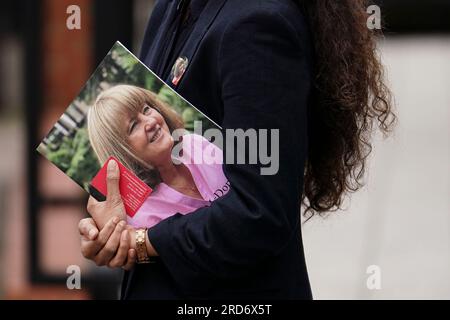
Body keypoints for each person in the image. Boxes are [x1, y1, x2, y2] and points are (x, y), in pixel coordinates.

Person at [79, 0, 395, 299]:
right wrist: (110, 231)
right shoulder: (171, 8)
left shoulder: (256, 26)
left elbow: (259, 213)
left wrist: (142, 243)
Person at [86, 84, 230, 229]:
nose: (151, 122)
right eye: (134, 125)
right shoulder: (141, 219)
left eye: (146, 109)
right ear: (122, 152)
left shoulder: (193, 143)